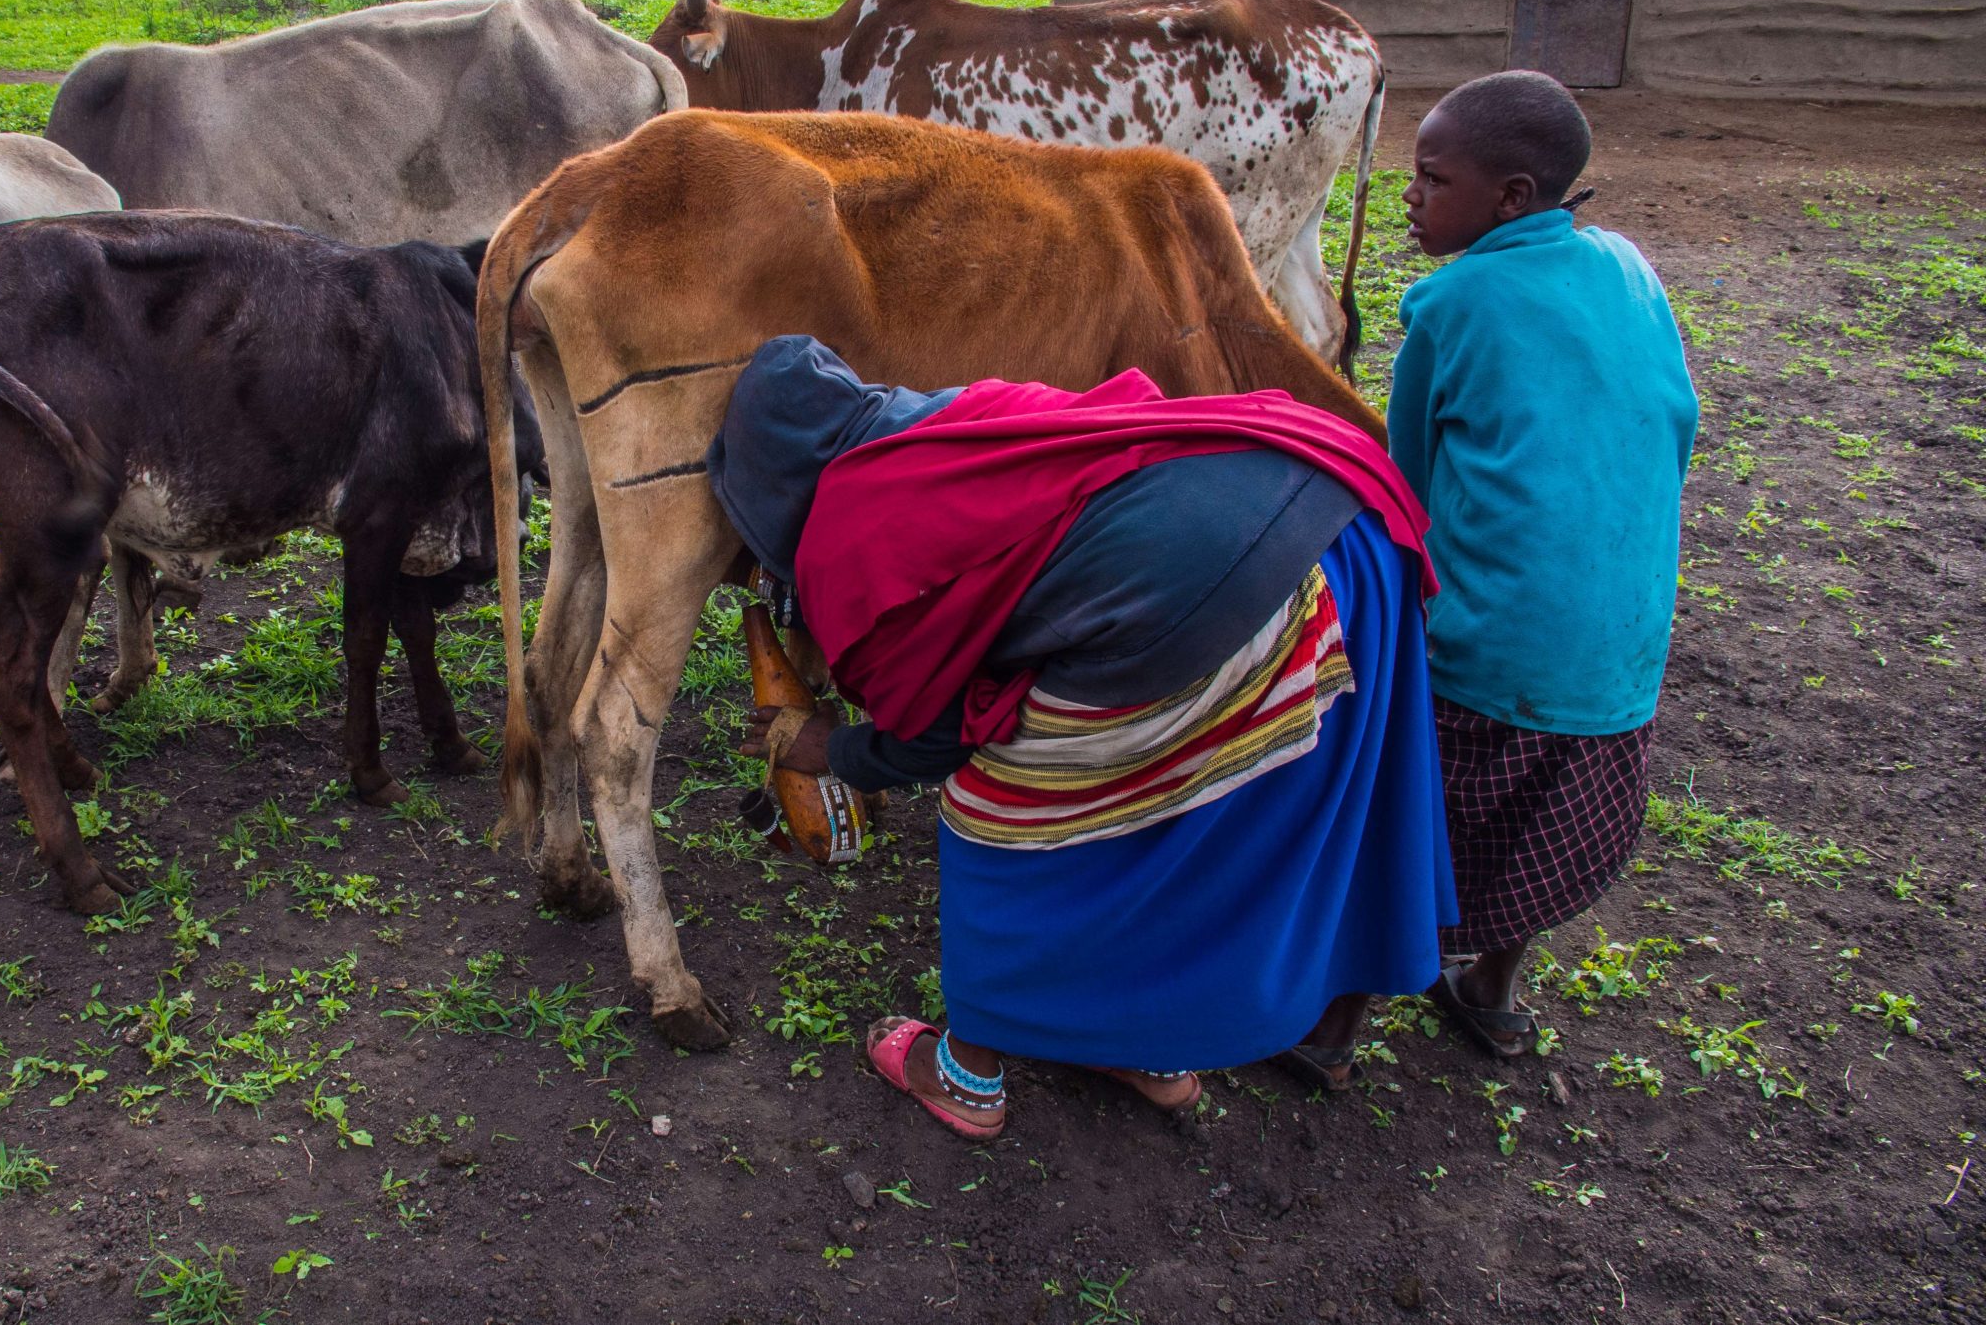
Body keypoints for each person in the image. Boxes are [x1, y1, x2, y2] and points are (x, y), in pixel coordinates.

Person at [709, 336, 1456, 1138]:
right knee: (1168, 815)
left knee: (1002, 812)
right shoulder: (956, 416)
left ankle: (969, 1070)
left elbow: (941, 739)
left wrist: (835, 751)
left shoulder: (852, 537)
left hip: (1219, 599)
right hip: (1334, 530)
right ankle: (1149, 1046)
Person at [1389, 71, 1698, 1059]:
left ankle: (1334, 1025)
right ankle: (1490, 989)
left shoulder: (1449, 302)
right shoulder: (1629, 267)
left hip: (1493, 649)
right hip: (1624, 645)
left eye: (1431, 179)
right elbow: (1673, 427)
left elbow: (1405, 492)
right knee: (1541, 829)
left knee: (1414, 821)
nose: (1409, 197)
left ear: (1511, 196)